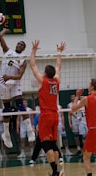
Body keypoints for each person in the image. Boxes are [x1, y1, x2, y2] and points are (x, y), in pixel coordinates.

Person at [30, 39, 66, 176]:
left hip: (45, 116)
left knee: (46, 144)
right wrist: (59, 52)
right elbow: (58, 66)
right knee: (52, 143)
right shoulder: (56, 80)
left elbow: (33, 66)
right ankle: (56, 170)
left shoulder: (42, 80)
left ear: (45, 73)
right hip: (55, 115)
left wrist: (33, 51)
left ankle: (55, 171)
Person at [0, 28, 35, 148]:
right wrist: (4, 31)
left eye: (22, 44)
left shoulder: (23, 59)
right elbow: (0, 37)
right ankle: (6, 134)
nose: (19, 45)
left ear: (23, 48)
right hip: (3, 82)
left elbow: (19, 75)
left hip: (14, 82)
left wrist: (10, 77)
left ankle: (29, 130)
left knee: (20, 104)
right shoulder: (8, 52)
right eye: (18, 43)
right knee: (7, 108)